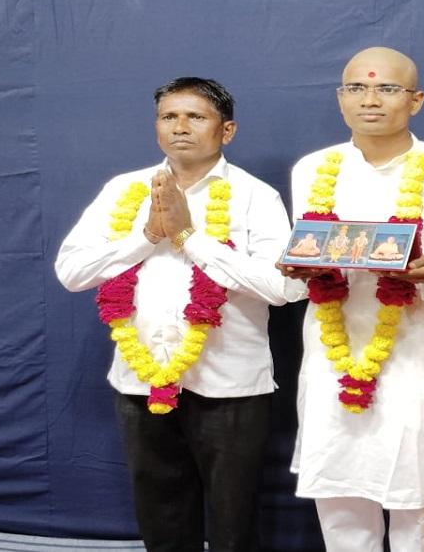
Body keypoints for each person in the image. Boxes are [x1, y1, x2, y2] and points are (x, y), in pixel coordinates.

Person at [278, 47, 424, 551]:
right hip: (334, 363)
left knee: (420, 512)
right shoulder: (313, 169)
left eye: (387, 89)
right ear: (340, 99)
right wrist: (297, 267)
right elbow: (304, 260)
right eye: (355, 88)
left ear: (416, 100)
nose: (370, 100)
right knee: (340, 511)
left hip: (420, 365)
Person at [55, 77, 291, 552]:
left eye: (196, 116)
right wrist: (146, 235)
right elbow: (72, 271)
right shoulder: (124, 189)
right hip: (139, 383)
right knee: (161, 518)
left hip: (229, 386)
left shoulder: (254, 196)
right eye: (169, 116)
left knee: (232, 524)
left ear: (227, 131)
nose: (180, 126)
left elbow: (283, 286)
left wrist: (190, 238)